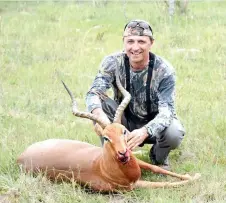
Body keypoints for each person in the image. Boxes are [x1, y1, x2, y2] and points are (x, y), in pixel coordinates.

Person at [85, 19, 185, 170]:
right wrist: (100, 116)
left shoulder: (164, 70)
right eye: (130, 41)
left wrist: (145, 131)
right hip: (124, 121)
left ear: (151, 43)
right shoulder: (112, 62)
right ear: (124, 42)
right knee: (101, 104)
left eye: (141, 41)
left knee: (174, 133)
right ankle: (112, 155)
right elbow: (93, 92)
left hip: (154, 124)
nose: (135, 47)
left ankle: (158, 157)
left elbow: (167, 111)